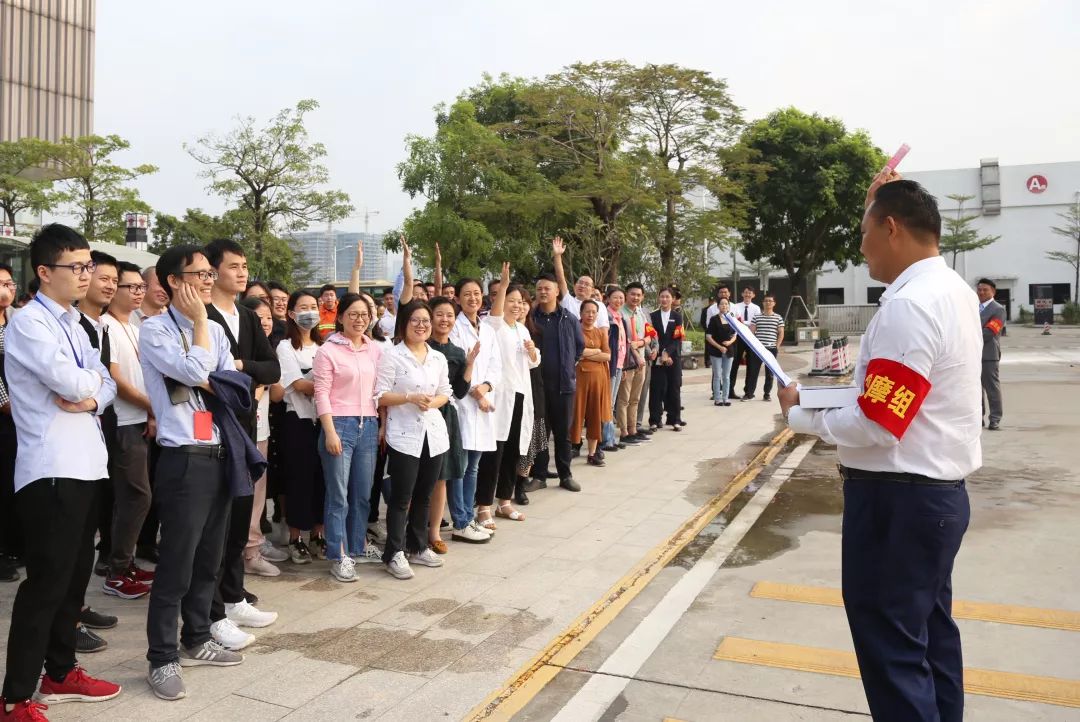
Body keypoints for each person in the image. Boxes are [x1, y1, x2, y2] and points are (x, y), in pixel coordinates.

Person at [780, 174, 981, 722]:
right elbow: (897, 398)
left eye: (864, 230)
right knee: (928, 635)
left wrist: (800, 413)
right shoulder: (954, 290)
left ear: (890, 228)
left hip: (898, 499)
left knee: (891, 647)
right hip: (935, 495)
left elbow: (880, 421)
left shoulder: (909, 306)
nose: (861, 247)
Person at [2, 225, 122, 718]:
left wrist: (92, 395)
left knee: (75, 581)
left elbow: (101, 385)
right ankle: (14, 697)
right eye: (77, 267)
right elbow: (69, 380)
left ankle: (59, 673)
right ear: (45, 272)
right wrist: (90, 387)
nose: (86, 275)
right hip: (50, 470)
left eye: (88, 265)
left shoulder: (76, 323)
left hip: (87, 465)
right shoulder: (29, 324)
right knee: (46, 585)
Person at [375, 300, 452, 579]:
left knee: (424, 495)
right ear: (404, 324)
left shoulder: (437, 357)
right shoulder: (392, 355)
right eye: (415, 321)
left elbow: (446, 391)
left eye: (426, 321)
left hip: (434, 433)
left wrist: (433, 403)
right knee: (401, 497)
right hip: (404, 434)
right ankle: (394, 553)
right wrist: (409, 397)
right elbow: (380, 395)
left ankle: (417, 546)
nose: (422, 326)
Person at [313, 293, 384, 582]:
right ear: (340, 317)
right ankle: (338, 554)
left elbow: (381, 389)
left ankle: (357, 547)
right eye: (352, 314)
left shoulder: (375, 350)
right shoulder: (327, 351)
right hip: (338, 425)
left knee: (362, 494)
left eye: (364, 314)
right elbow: (321, 393)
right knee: (338, 495)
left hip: (368, 424)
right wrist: (329, 431)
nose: (359, 319)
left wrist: (381, 425)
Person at [101, 262, 157, 599]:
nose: (138, 292)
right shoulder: (105, 327)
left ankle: (124, 561)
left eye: (141, 287)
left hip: (139, 421)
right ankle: (117, 570)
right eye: (130, 287)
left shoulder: (135, 327)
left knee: (132, 497)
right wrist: (151, 406)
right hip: (121, 421)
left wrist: (151, 413)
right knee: (137, 496)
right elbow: (116, 380)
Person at [480, 263, 539, 523]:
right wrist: (503, 285)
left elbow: (531, 362)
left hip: (520, 397)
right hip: (499, 397)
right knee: (495, 453)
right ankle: (483, 507)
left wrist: (533, 352)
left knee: (514, 451)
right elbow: (494, 318)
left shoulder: (523, 329)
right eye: (511, 300)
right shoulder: (493, 326)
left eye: (521, 301)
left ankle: (504, 502)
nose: (517, 305)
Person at [427, 295, 487, 546]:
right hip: (422, 412)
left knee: (446, 472)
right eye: (439, 314)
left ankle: (437, 531)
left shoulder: (455, 351)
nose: (445, 319)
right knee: (420, 475)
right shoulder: (424, 346)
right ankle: (418, 526)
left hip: (447, 416)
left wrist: (470, 363)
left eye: (449, 315)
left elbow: (460, 391)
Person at [237, 297, 290, 577]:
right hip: (244, 431)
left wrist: (270, 378)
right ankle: (247, 552)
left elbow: (278, 393)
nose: (265, 322)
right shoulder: (242, 352)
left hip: (262, 431)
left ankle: (254, 545)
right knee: (246, 493)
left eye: (269, 317)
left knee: (258, 493)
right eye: (259, 318)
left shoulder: (268, 351)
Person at [274, 291, 326, 564]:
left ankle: (319, 534)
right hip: (298, 423)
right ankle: (296, 537)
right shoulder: (285, 347)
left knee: (322, 480)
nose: (310, 312)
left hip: (325, 421)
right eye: (303, 307)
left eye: (313, 307)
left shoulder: (324, 346)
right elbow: (299, 385)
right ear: (291, 314)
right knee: (299, 480)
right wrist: (328, 387)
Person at [449, 276, 503, 530]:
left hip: (484, 404)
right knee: (460, 466)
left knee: (474, 466)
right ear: (458, 299)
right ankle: (460, 518)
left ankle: (468, 515)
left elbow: (495, 364)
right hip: (463, 404)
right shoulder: (454, 329)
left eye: (476, 293)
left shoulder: (488, 329)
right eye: (467, 294)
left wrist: (487, 388)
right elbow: (458, 369)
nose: (473, 298)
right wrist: (478, 394)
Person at [525, 269, 584, 494]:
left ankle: (565, 474)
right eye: (539, 289)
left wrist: (568, 367)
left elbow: (579, 346)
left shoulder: (568, 319)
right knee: (540, 431)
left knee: (563, 433)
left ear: (557, 291)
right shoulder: (530, 318)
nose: (542, 292)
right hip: (538, 386)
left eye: (546, 288)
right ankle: (539, 475)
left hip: (563, 386)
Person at [570, 300, 612, 466]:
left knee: (595, 415)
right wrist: (596, 351)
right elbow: (575, 352)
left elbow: (607, 356)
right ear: (580, 313)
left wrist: (585, 354)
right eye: (587, 311)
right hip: (579, 378)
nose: (590, 315)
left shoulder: (601, 332)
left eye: (594, 312)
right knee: (576, 413)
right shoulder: (575, 330)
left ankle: (593, 453)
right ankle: (572, 446)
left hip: (598, 379)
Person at [0, 263, 19, 585]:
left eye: (10, 282)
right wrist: (6, 403)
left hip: (23, 415)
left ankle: (17, 546)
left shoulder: (18, 320)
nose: (6, 289)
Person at [551, 236, 610, 328]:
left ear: (593, 290)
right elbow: (560, 279)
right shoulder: (568, 301)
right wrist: (557, 255)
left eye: (586, 284)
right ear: (574, 286)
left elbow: (604, 330)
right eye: (580, 282)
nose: (582, 285)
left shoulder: (599, 305)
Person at [622, 282, 654, 443]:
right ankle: (623, 432)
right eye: (632, 294)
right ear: (626, 294)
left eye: (638, 295)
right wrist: (636, 345)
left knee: (636, 398)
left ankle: (633, 428)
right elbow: (625, 342)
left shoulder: (640, 314)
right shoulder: (621, 314)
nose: (635, 297)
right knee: (624, 399)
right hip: (627, 362)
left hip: (641, 361)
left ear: (642, 297)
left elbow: (649, 335)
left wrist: (641, 343)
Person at [601, 287, 633, 450]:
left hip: (620, 363)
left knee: (611, 403)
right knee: (608, 403)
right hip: (610, 364)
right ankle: (606, 439)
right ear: (608, 299)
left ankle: (609, 437)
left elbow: (624, 343)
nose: (619, 301)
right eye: (615, 298)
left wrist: (625, 366)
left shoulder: (621, 317)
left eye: (621, 298)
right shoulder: (606, 317)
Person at [648, 288, 684, 432]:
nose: (664, 299)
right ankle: (655, 420)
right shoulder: (652, 316)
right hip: (657, 357)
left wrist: (667, 353)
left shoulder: (677, 317)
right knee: (657, 388)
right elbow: (652, 337)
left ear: (672, 299)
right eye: (662, 297)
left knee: (674, 388)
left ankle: (675, 419)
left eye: (667, 297)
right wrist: (661, 354)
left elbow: (677, 339)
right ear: (658, 298)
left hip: (672, 358)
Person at [976, 278, 1005, 430]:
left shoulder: (998, 309)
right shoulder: (973, 307)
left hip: (988, 355)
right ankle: (978, 417)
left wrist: (967, 336)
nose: (981, 292)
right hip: (973, 354)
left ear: (993, 291)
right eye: (979, 289)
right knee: (975, 388)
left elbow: (990, 332)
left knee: (991, 388)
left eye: (985, 290)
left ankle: (995, 418)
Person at [749, 293, 785, 402]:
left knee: (769, 373)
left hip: (771, 348)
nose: (768, 303)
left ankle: (767, 394)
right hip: (758, 349)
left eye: (770, 301)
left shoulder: (778, 317)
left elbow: (781, 333)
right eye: (766, 301)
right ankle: (750, 393)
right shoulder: (756, 317)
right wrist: (754, 346)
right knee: (753, 371)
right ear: (763, 303)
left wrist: (777, 346)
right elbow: (752, 332)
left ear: (774, 303)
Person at [729, 285, 761, 400]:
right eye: (746, 292)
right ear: (742, 294)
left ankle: (749, 391)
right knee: (734, 363)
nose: (747, 295)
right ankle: (730, 390)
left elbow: (756, 322)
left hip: (751, 337)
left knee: (752, 365)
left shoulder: (756, 308)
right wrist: (745, 324)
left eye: (750, 293)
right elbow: (734, 320)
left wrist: (745, 323)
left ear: (753, 295)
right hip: (738, 337)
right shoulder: (736, 306)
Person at [705, 298, 737, 406]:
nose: (724, 306)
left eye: (726, 304)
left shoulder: (731, 318)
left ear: (729, 306)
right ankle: (717, 398)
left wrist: (730, 342)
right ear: (718, 306)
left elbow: (735, 335)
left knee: (726, 376)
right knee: (717, 375)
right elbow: (708, 336)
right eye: (722, 304)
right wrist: (719, 347)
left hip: (729, 350)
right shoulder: (714, 319)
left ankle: (726, 398)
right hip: (716, 351)